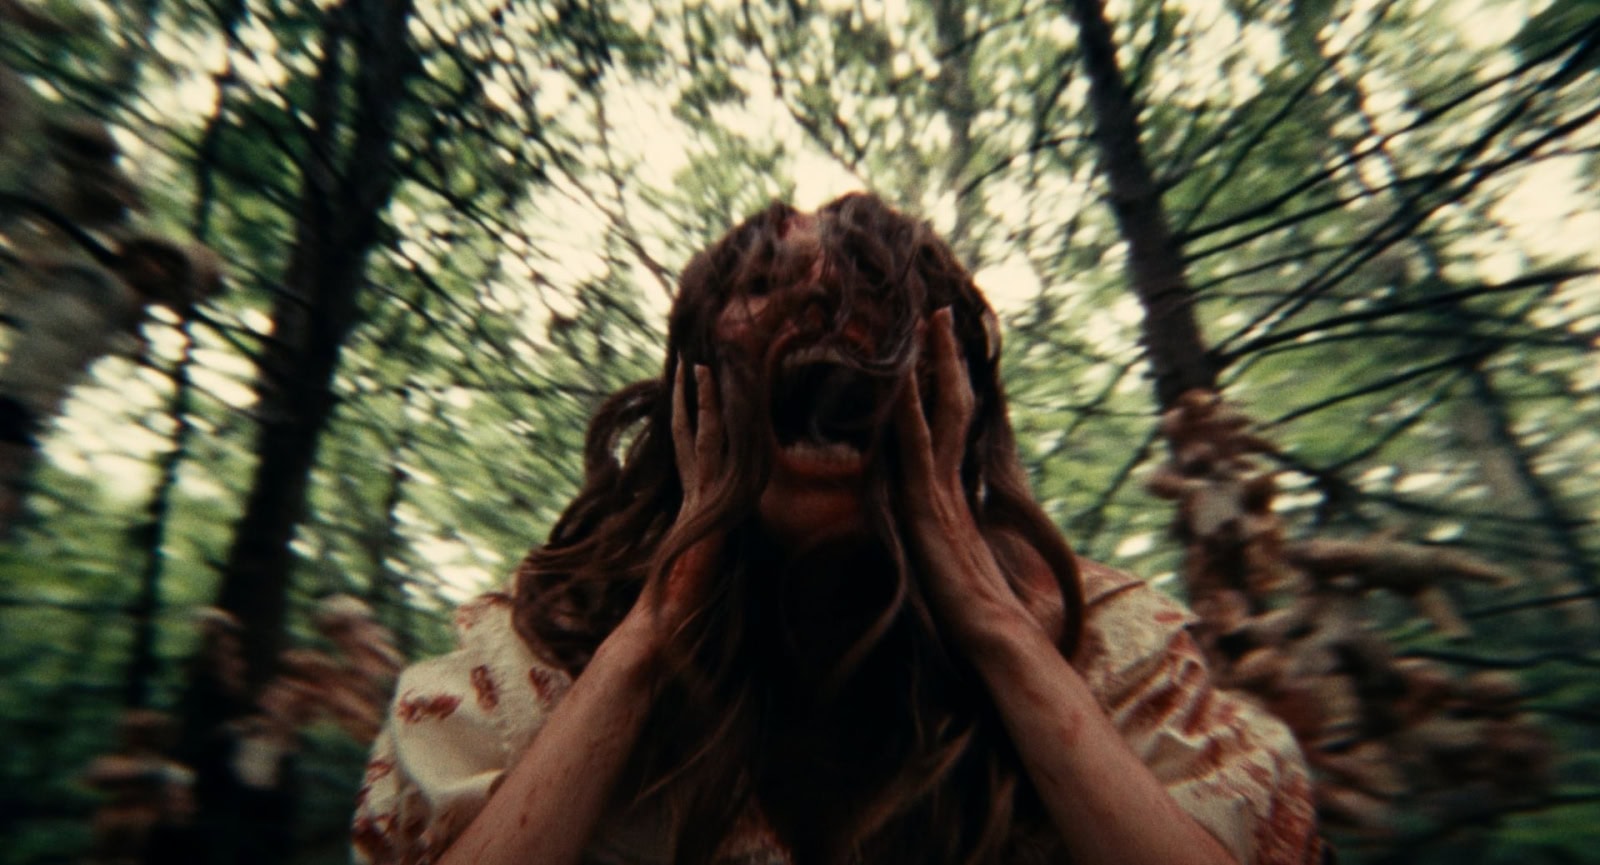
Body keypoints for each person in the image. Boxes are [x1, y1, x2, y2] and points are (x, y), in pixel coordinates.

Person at [351, 193, 1323, 865]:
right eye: (766, 284)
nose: (822, 304)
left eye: (883, 307)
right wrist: (646, 640)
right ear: (693, 395)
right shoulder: (547, 646)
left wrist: (997, 630)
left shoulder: (1103, 641)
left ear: (953, 405)